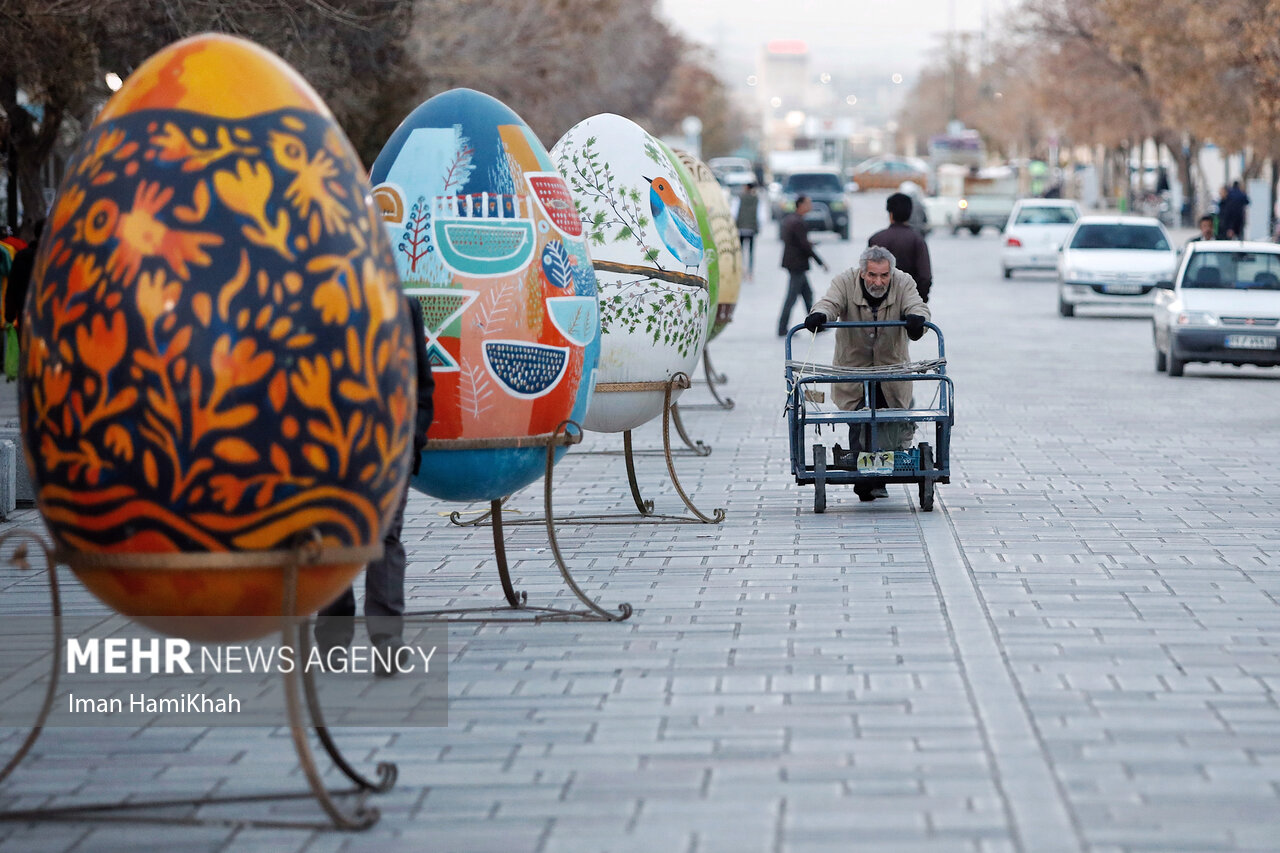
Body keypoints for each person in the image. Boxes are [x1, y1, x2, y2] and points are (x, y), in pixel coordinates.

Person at [315, 292, 434, 676]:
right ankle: (332, 639)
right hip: (330, 449)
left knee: (385, 537)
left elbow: (422, 384)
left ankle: (387, 640)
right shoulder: (314, 306)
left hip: (389, 450)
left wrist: (412, 441)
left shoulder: (404, 307)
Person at [803, 246, 929, 502]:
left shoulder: (903, 281)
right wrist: (820, 314)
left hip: (891, 367)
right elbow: (831, 301)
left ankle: (880, 476)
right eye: (872, 275)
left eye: (884, 276)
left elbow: (917, 305)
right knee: (858, 421)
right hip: (853, 367)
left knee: (887, 420)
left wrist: (917, 320)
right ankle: (863, 477)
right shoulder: (845, 281)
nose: (878, 281)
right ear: (863, 272)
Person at [868, 192, 933, 302]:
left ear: (890, 214)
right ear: (910, 213)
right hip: (909, 304)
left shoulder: (876, 239)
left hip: (879, 305)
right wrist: (920, 300)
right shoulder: (917, 240)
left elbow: (867, 274)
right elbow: (925, 277)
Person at [777, 195, 828, 337]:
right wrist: (820, 262)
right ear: (800, 205)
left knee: (807, 294)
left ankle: (815, 325)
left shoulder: (792, 220)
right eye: (808, 203)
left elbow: (799, 242)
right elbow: (804, 245)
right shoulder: (797, 222)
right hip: (797, 264)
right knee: (791, 297)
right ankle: (782, 328)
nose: (810, 206)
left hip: (794, 263)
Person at [735, 182, 760, 279]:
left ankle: (741, 271)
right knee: (750, 251)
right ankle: (750, 272)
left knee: (740, 251)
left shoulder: (739, 198)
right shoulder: (756, 199)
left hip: (741, 228)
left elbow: (734, 212)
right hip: (751, 228)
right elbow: (760, 214)